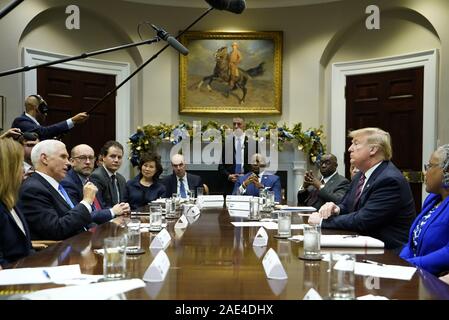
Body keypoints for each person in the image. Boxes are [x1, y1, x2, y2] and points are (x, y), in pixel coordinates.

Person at [308, 127, 416, 250]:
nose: (350, 149)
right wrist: (336, 209)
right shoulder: (361, 175)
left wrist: (322, 222)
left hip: (388, 254)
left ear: (373, 149)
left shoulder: (389, 180)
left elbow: (363, 220)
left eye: (356, 143)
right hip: (362, 244)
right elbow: (347, 205)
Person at [18, 140, 97, 240]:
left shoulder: (56, 185)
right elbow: (56, 230)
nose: (68, 163)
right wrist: (86, 202)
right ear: (44, 159)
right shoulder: (33, 189)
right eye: (63, 157)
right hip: (59, 252)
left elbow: (75, 219)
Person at [399, 144, 449, 275]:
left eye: (430, 166)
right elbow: (412, 242)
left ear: (446, 170)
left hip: (437, 279)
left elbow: (447, 253)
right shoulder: (433, 199)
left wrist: (411, 264)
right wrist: (400, 261)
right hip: (414, 272)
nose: (425, 172)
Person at [61, 144, 130, 224]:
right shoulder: (68, 182)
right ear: (72, 161)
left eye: (91, 158)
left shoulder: (88, 179)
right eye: (83, 158)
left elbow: (99, 208)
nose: (88, 162)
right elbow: (80, 215)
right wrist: (112, 211)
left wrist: (121, 208)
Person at [0, 138, 32, 267]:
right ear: (8, 169)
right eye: (21, 164)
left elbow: (25, 248)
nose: (24, 170)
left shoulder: (12, 201)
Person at [11, 95, 88, 140]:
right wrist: (72, 120)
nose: (46, 113)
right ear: (36, 108)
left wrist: (74, 122)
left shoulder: (35, 124)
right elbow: (44, 132)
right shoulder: (21, 121)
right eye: (44, 108)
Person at [218, 117, 255, 195]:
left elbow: (257, 165)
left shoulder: (252, 143)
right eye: (234, 124)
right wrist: (229, 176)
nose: (236, 126)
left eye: (239, 124)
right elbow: (221, 166)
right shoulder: (227, 143)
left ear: (244, 126)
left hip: (248, 182)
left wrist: (248, 178)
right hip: (231, 183)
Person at [90, 141, 128, 209]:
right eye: (113, 156)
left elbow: (124, 202)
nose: (116, 160)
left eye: (119, 157)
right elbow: (99, 207)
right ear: (103, 157)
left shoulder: (121, 179)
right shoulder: (96, 177)